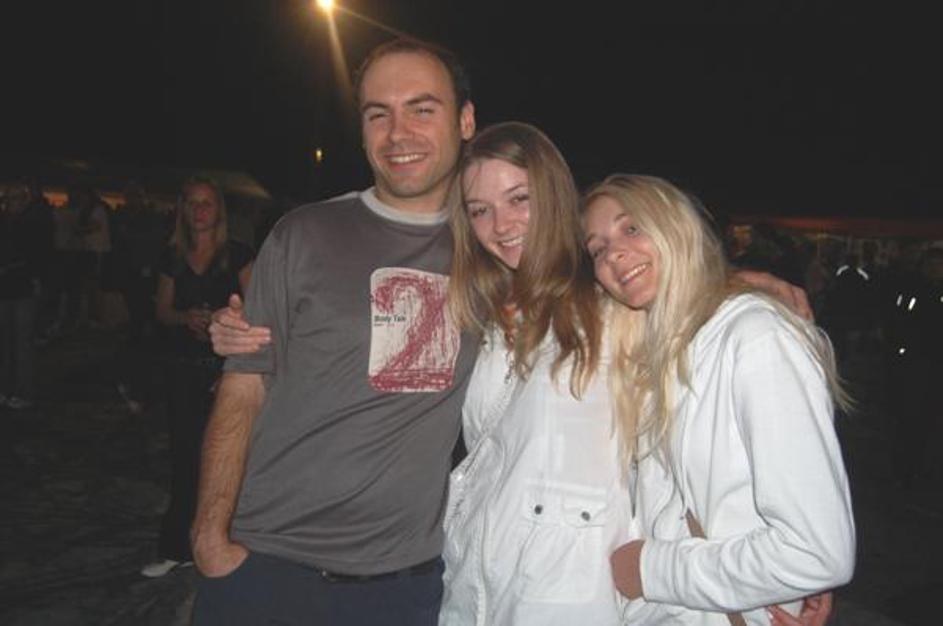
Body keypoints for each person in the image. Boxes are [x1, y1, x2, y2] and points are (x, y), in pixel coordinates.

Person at [189, 39, 478, 626]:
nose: (398, 133)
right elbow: (243, 387)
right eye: (378, 114)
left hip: (404, 584)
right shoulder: (304, 233)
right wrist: (209, 539)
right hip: (266, 564)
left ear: (465, 121)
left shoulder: (491, 254)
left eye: (422, 109)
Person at [582, 174, 855, 624]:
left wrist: (650, 569)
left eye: (631, 228)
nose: (613, 253)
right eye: (597, 248)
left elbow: (817, 552)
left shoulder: (755, 338)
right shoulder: (651, 348)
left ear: (676, 225)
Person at [140, 176, 253, 578]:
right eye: (192, 203)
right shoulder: (172, 255)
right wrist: (184, 318)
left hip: (228, 372)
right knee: (185, 458)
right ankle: (178, 546)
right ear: (182, 209)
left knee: (231, 457)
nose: (200, 210)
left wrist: (227, 330)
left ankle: (234, 544)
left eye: (207, 203)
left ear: (218, 209)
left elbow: (259, 310)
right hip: (183, 369)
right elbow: (162, 311)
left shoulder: (238, 254)